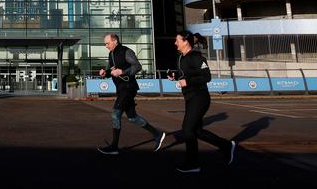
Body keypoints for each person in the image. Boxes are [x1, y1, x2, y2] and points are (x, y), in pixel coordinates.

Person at [169, 30, 236, 173]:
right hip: (190, 97)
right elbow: (183, 74)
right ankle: (226, 146)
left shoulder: (196, 57)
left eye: (177, 40)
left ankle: (193, 164)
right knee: (196, 131)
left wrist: (188, 81)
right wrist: (174, 75)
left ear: (186, 42)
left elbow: (207, 77)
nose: (175, 43)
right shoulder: (181, 57)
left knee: (187, 129)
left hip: (200, 97)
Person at [97, 33, 166, 155]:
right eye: (105, 43)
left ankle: (114, 147)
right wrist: (105, 73)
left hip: (128, 88)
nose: (105, 46)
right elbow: (113, 70)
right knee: (132, 117)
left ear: (115, 41)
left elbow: (137, 66)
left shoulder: (126, 51)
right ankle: (157, 134)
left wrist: (123, 71)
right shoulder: (111, 54)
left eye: (107, 43)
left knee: (115, 113)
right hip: (121, 88)